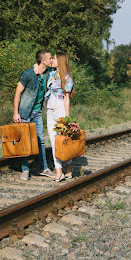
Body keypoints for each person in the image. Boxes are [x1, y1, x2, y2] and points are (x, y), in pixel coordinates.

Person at [13, 50, 55, 180]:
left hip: (37, 113)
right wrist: (16, 112)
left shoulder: (48, 74)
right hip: (25, 112)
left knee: (41, 141)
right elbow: (17, 93)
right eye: (49, 58)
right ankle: (25, 170)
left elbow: (60, 67)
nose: (52, 60)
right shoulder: (28, 74)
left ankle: (45, 168)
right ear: (43, 61)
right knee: (25, 142)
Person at [45, 52, 74, 182]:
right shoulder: (52, 74)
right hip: (49, 112)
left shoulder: (67, 78)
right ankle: (59, 171)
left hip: (60, 111)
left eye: (55, 58)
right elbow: (42, 65)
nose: (52, 60)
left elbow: (66, 99)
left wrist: (67, 117)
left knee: (63, 141)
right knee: (53, 141)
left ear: (60, 61)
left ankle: (68, 168)